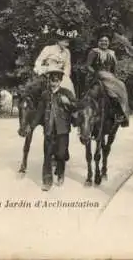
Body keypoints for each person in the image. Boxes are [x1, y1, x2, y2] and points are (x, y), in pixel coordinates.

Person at [29, 63, 77, 191]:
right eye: (51, 80)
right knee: (47, 155)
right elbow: (39, 112)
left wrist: (68, 103)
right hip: (49, 130)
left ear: (60, 81)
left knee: (61, 155)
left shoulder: (66, 93)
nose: (53, 83)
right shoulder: (45, 95)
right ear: (49, 81)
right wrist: (32, 126)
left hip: (63, 130)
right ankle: (47, 181)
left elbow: (76, 107)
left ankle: (60, 173)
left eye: (56, 81)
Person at [85, 29, 130, 127]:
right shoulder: (94, 52)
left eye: (106, 41)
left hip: (109, 76)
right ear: (98, 42)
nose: (104, 43)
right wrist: (96, 73)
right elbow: (88, 66)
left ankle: (120, 112)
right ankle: (82, 112)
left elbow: (114, 68)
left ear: (109, 43)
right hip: (96, 75)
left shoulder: (112, 53)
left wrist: (115, 78)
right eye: (101, 41)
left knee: (121, 85)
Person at [33, 29, 76, 96]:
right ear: (59, 41)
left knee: (68, 84)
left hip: (60, 74)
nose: (67, 44)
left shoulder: (67, 52)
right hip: (48, 73)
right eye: (65, 42)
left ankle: (69, 103)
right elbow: (39, 61)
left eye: (68, 42)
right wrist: (41, 71)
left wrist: (65, 75)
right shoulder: (48, 49)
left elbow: (67, 65)